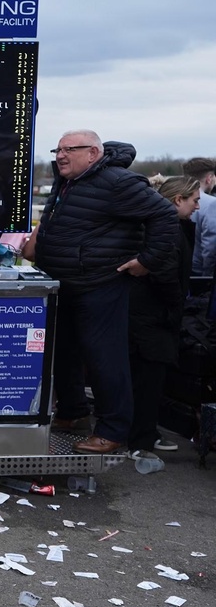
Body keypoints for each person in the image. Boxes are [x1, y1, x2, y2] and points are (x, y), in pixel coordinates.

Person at [20, 132, 176, 454]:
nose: (60, 155)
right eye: (58, 149)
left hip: (100, 284)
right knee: (63, 352)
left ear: (93, 152)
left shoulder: (118, 182)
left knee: (104, 358)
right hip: (64, 283)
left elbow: (164, 214)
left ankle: (112, 430)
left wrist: (148, 261)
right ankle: (73, 412)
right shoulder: (69, 180)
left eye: (69, 149)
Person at [127, 176, 197, 461]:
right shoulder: (165, 229)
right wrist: (176, 305)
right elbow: (165, 273)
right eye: (194, 200)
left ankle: (145, 432)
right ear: (178, 199)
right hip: (152, 317)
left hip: (149, 315)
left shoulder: (164, 225)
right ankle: (139, 439)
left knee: (148, 380)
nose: (198, 206)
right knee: (147, 380)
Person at [182, 157, 216, 277]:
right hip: (199, 270)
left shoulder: (174, 199)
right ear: (209, 178)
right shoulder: (211, 203)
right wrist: (208, 275)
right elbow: (210, 246)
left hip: (177, 268)